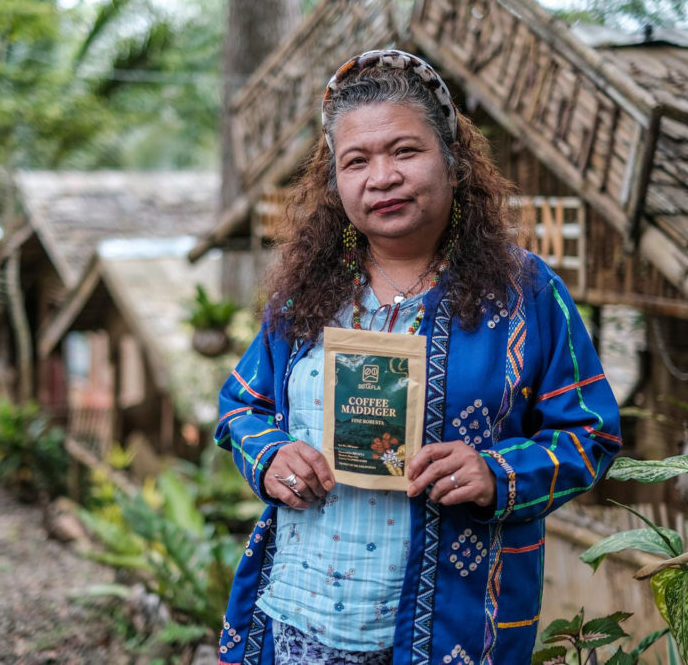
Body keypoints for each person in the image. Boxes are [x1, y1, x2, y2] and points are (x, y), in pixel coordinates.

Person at [214, 49, 621, 665]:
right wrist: (270, 457)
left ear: (452, 160)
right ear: (337, 183)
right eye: (357, 161)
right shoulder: (307, 294)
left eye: (405, 151)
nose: (382, 177)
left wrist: (496, 474)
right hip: (295, 618)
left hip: (448, 631)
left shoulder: (526, 293)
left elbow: (592, 432)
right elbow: (241, 406)